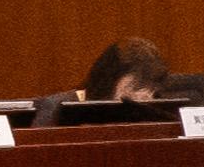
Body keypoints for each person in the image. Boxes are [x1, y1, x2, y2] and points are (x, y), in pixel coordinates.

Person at [30, 39, 173, 125]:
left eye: (150, 89)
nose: (144, 96)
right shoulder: (55, 107)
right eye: (135, 86)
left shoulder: (156, 114)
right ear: (109, 80)